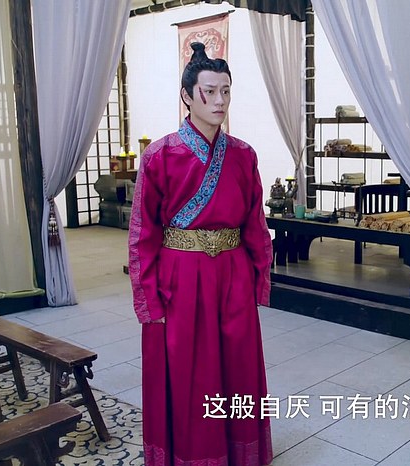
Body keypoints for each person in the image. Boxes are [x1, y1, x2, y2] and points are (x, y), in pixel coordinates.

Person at [128, 42, 273, 466]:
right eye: (209, 92)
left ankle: (238, 452)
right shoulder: (160, 155)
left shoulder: (243, 155)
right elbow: (143, 234)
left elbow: (255, 223)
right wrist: (149, 299)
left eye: (225, 91)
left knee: (238, 367)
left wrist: (258, 278)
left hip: (232, 274)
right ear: (187, 96)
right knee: (190, 371)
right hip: (181, 276)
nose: (219, 101)